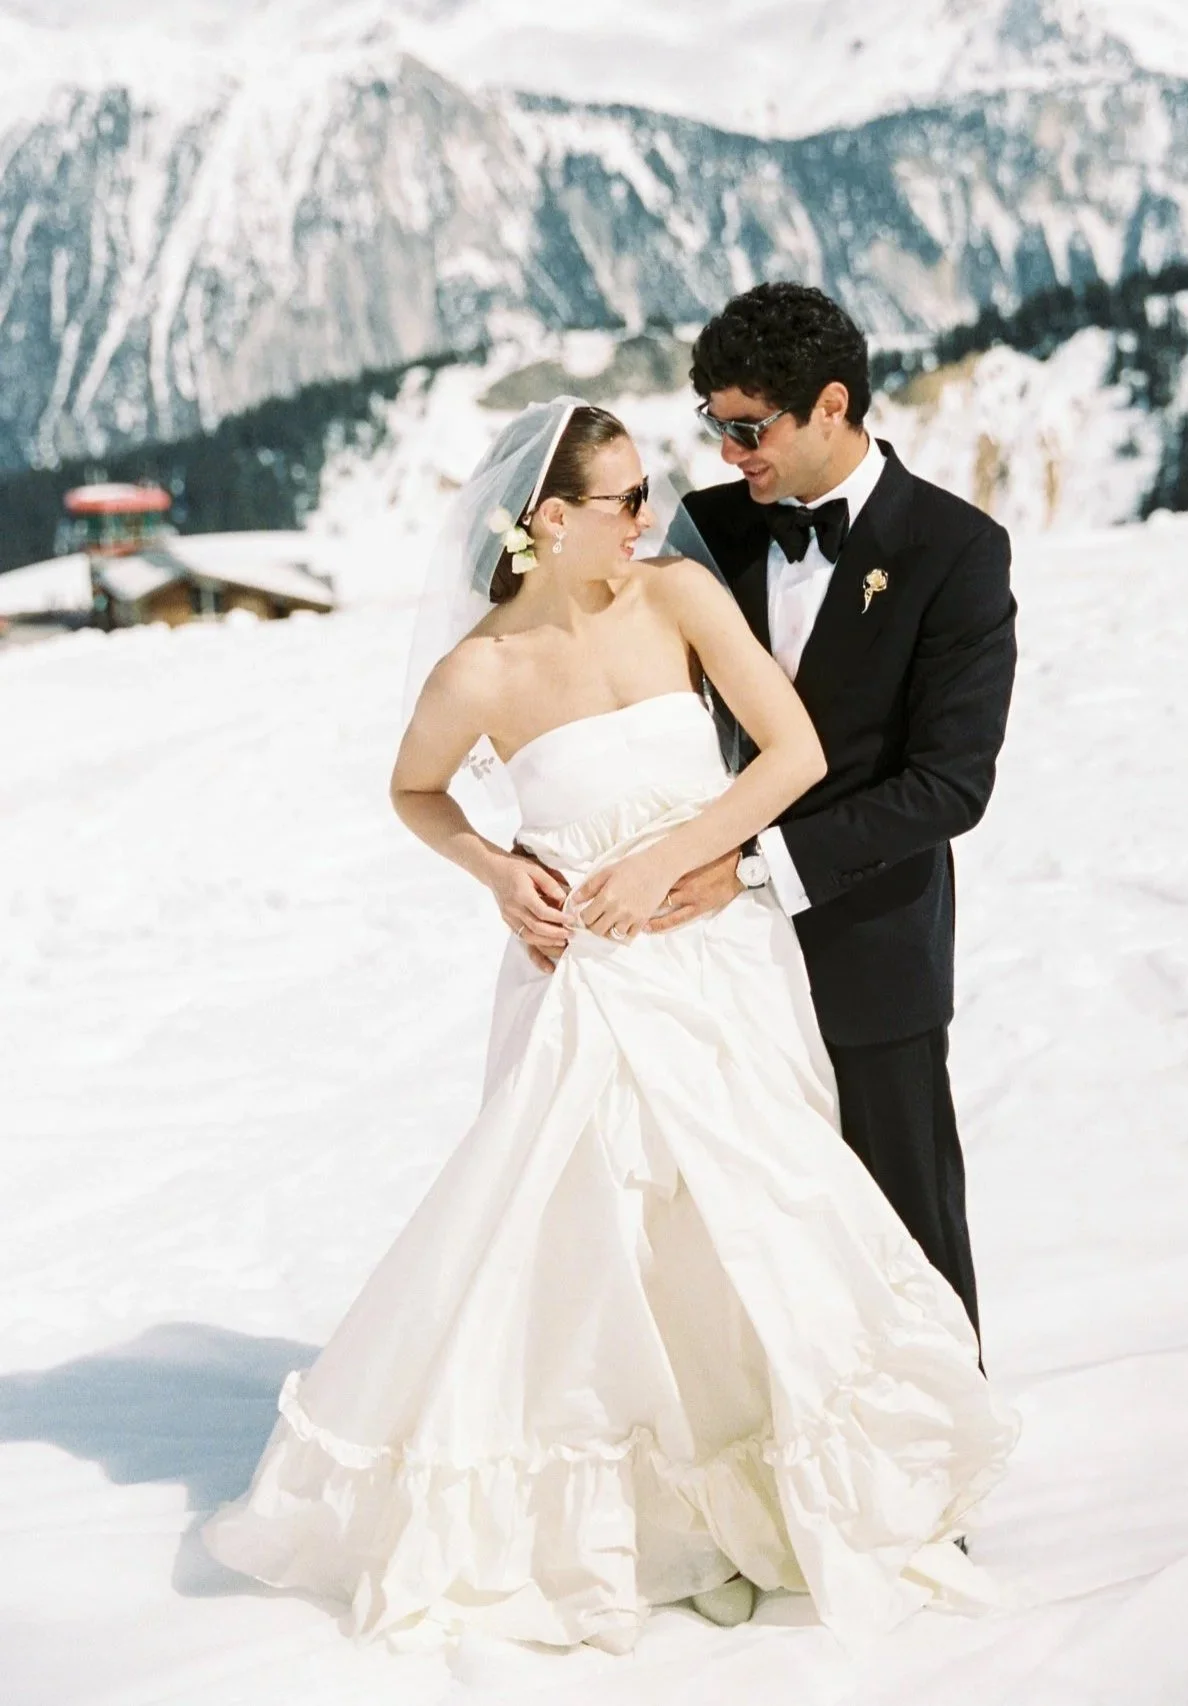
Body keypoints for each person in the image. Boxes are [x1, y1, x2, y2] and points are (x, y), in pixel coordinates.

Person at [201, 399, 1017, 1656]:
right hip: (580, 975)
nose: (651, 516)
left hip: (715, 954)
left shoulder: (682, 596)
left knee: (752, 1214)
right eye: (623, 500)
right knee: (593, 1235)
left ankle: (772, 1496)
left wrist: (677, 862)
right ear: (545, 522)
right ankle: (638, 1515)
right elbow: (414, 789)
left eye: (648, 493)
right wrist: (491, 869)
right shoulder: (477, 667)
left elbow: (788, 753)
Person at [666, 283, 1019, 1345]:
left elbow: (949, 783)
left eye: (748, 426)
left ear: (829, 404)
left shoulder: (955, 549)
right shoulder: (705, 531)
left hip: (871, 943)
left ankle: (937, 1471)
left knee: (905, 1215)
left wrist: (758, 863)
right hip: (707, 951)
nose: (730, 452)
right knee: (746, 1219)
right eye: (714, 426)